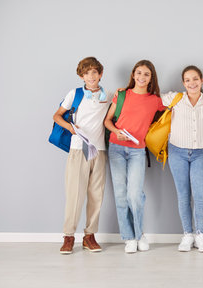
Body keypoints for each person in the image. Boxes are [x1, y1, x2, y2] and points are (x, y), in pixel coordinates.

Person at [104, 60, 166, 254]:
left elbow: (174, 108)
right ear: (133, 74)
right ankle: (129, 237)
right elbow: (107, 121)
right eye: (138, 73)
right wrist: (116, 130)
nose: (141, 77)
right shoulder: (121, 95)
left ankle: (140, 235)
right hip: (116, 148)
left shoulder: (155, 100)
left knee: (134, 195)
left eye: (146, 74)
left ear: (151, 78)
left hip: (138, 151)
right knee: (121, 196)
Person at [160, 65, 203, 253]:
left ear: (202, 80)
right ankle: (187, 234)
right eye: (187, 80)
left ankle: (200, 234)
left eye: (195, 79)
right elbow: (148, 96)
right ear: (183, 83)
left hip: (199, 153)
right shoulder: (175, 99)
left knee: (201, 194)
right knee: (183, 195)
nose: (192, 83)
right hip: (176, 151)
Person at [53, 57, 111, 254]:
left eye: (95, 72)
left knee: (97, 195)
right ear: (81, 76)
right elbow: (57, 116)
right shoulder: (75, 94)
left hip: (99, 151)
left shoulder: (108, 96)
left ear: (100, 74)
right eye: (87, 73)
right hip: (79, 149)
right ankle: (68, 236)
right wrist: (70, 127)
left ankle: (89, 236)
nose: (91, 76)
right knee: (74, 195)